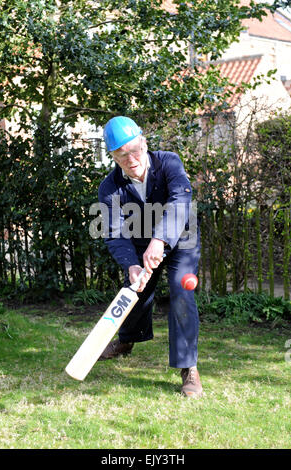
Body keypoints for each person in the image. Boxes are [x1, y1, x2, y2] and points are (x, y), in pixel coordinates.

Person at [97, 116, 202, 398]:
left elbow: (181, 200)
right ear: (113, 157)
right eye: (122, 155)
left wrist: (160, 239)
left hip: (181, 238)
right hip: (141, 243)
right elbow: (115, 232)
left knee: (181, 292)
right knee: (137, 290)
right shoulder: (109, 189)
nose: (131, 159)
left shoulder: (169, 162)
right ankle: (127, 341)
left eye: (135, 150)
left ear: (144, 142)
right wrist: (131, 264)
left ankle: (188, 367)